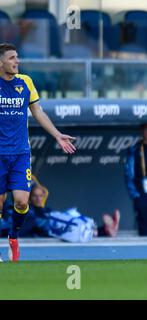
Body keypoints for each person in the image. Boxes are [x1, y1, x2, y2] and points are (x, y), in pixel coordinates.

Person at [0, 43, 76, 261]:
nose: (17, 61)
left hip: (20, 154)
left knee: (22, 202)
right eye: (12, 58)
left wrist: (57, 134)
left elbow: (38, 112)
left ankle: (13, 237)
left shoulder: (25, 82)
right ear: (1, 62)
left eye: (17, 57)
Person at [1, 183, 120, 239]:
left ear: (44, 196)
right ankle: (104, 230)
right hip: (46, 232)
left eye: (40, 196)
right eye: (35, 196)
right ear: (30, 197)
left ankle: (102, 229)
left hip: (55, 228)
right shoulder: (28, 210)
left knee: (68, 214)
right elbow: (25, 227)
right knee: (58, 222)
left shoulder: (47, 210)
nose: (38, 198)